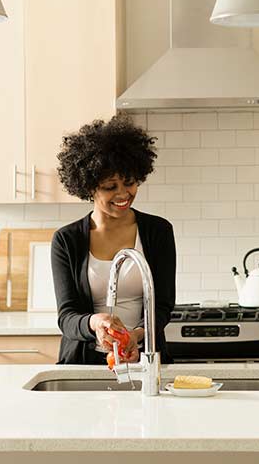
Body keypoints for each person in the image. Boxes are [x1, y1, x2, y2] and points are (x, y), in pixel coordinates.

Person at [51, 114, 176, 365]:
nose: (123, 194)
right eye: (110, 186)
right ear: (89, 187)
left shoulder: (158, 231)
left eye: (129, 183)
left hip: (144, 359)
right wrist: (95, 322)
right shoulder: (66, 240)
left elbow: (162, 306)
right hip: (83, 363)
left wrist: (136, 336)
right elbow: (67, 316)